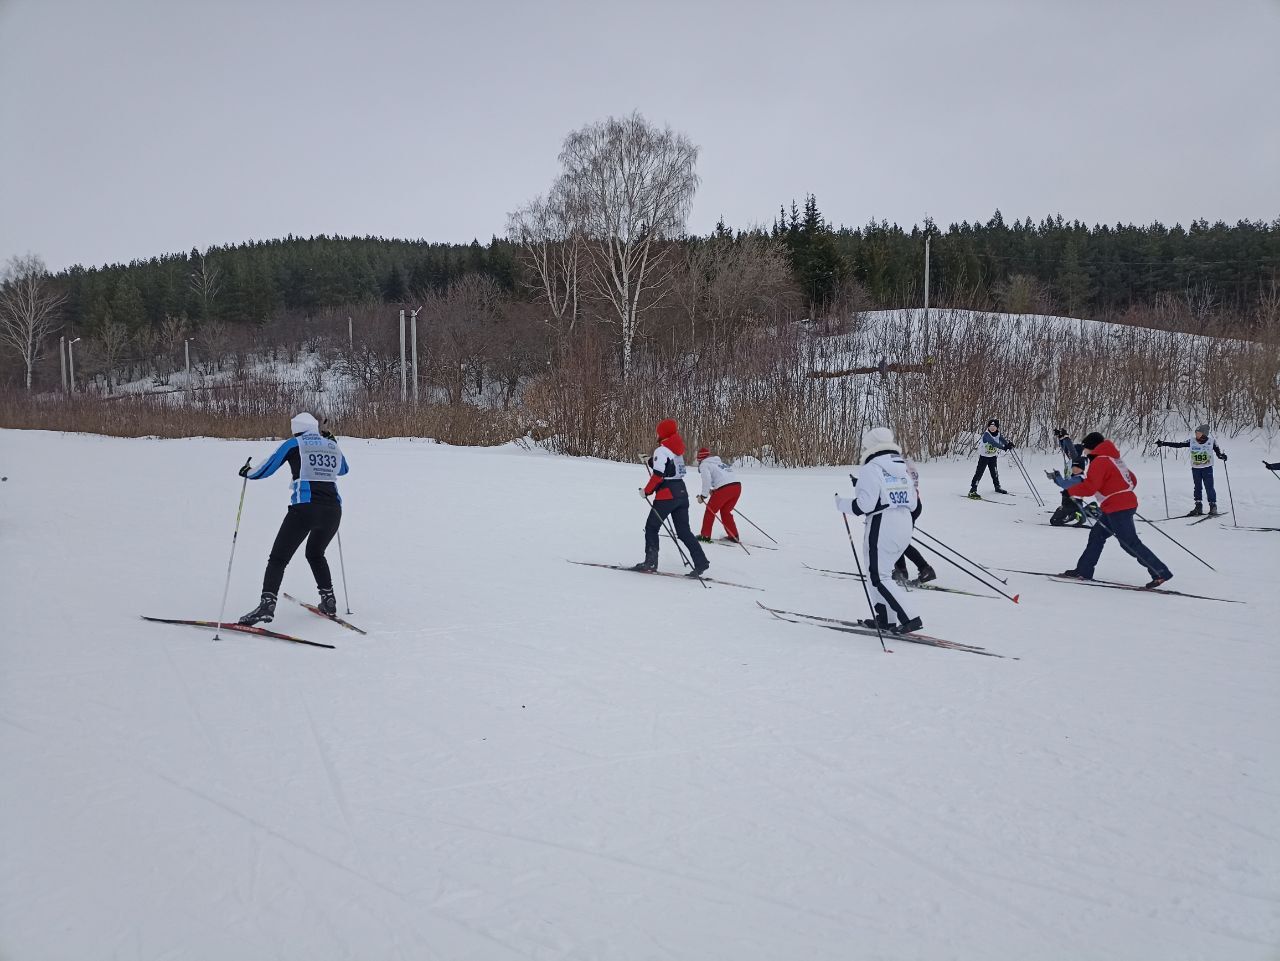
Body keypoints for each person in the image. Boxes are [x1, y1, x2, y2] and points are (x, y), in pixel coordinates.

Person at [239, 412, 349, 625]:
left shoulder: (294, 443)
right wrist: (330, 439)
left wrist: (248, 472)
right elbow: (343, 469)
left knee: (278, 559)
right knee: (316, 553)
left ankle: (266, 606)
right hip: (333, 511)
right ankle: (329, 600)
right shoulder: (330, 444)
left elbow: (267, 468)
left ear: (296, 429)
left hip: (304, 509)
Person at [1053, 431, 1172, 588]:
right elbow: (1132, 480)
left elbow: (1090, 487)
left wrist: (1070, 491)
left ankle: (1160, 572)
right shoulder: (1113, 458)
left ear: (1091, 447)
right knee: (1097, 535)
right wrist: (1119, 491)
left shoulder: (1099, 461)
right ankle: (1084, 570)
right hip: (1117, 505)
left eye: (1085, 447)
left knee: (1129, 542)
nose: (1084, 451)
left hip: (1117, 507)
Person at [836, 427, 923, 635]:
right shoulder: (902, 466)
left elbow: (864, 505)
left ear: (871, 446)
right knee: (879, 574)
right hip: (903, 523)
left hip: (881, 525)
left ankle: (910, 617)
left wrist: (842, 504)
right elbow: (915, 504)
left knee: (878, 576)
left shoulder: (871, 468)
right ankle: (886, 619)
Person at [635, 418, 709, 577]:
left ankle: (650, 563)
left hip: (666, 495)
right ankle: (701, 562)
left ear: (662, 433)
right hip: (681, 493)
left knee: (651, 527)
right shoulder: (677, 449)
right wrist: (649, 460)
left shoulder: (661, 450)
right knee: (683, 532)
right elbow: (670, 468)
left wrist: (646, 491)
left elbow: (660, 474)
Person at [1155, 424, 1227, 516]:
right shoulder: (1192, 441)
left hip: (1207, 468)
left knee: (1209, 487)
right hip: (1196, 469)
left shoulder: (1212, 442)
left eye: (1199, 433)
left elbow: (1219, 454)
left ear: (1204, 434)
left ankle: (1213, 506)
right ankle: (1198, 506)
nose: (1196, 434)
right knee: (1197, 487)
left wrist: (1222, 457)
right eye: (1196, 433)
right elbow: (1179, 445)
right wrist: (1164, 443)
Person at [892, 457, 936, 584]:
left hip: (908, 508)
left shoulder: (898, 464)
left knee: (900, 542)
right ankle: (901, 570)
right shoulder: (906, 462)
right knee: (897, 540)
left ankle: (924, 569)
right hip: (912, 506)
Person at [694, 447, 742, 543]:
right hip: (737, 487)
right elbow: (723, 477)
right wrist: (716, 490)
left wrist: (703, 496)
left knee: (710, 511)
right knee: (725, 511)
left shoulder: (704, 464)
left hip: (725, 489)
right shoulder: (718, 462)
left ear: (700, 459)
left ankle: (705, 536)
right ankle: (734, 536)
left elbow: (706, 480)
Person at [1048, 430, 1089, 527]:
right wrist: (1061, 439)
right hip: (1068, 492)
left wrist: (1066, 438)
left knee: (1059, 516)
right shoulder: (1073, 460)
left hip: (1073, 496)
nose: (1069, 454)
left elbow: (1070, 449)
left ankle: (1077, 513)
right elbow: (1066, 449)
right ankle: (1076, 513)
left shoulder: (1076, 459)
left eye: (1071, 453)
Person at [968, 418, 1014, 498]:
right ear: (988, 427)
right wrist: (1004, 448)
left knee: (994, 473)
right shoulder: (986, 435)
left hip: (992, 457)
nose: (992, 428)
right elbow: (993, 443)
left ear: (997, 427)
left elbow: (1002, 440)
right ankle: (973, 490)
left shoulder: (997, 434)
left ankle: (997, 487)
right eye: (990, 426)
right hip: (984, 457)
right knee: (979, 473)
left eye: (994, 426)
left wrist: (1008, 444)